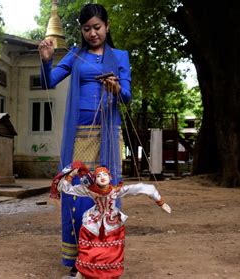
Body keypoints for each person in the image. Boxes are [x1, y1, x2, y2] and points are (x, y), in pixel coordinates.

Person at [39, 3, 132, 275]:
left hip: (108, 133)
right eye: (87, 28)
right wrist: (46, 61)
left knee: (106, 192)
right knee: (78, 191)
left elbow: (126, 96)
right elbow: (49, 82)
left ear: (107, 27)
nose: (93, 33)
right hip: (80, 132)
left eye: (97, 27)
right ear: (81, 30)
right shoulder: (75, 56)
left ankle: (105, 257)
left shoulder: (120, 56)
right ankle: (80, 258)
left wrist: (116, 88)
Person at [56, 163, 171, 278]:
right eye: (99, 175)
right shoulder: (90, 191)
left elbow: (143, 188)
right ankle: (80, 275)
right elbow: (64, 188)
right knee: (89, 252)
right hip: (93, 224)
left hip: (112, 225)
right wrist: (72, 174)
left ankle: (109, 276)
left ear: (110, 177)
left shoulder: (116, 191)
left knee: (111, 254)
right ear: (95, 180)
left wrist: (160, 201)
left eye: (105, 174)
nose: (102, 177)